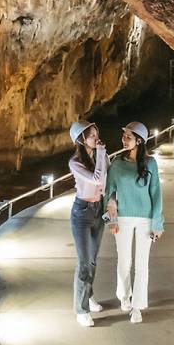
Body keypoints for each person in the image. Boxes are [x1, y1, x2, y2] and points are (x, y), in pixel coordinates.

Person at [105, 121, 163, 324]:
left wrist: (158, 223)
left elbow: (156, 193)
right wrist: (111, 220)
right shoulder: (117, 163)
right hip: (123, 218)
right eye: (123, 136)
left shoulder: (150, 163)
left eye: (128, 137)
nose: (124, 140)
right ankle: (124, 296)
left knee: (141, 264)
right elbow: (109, 193)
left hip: (146, 218)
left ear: (139, 141)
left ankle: (137, 306)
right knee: (124, 262)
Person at [68, 120, 108, 327]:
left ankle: (88, 294)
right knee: (84, 262)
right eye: (91, 135)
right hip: (82, 213)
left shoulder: (100, 156)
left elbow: (107, 181)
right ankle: (81, 310)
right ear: (81, 139)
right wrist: (101, 153)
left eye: (96, 134)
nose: (96, 138)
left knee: (92, 260)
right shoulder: (75, 162)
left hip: (98, 209)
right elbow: (97, 178)